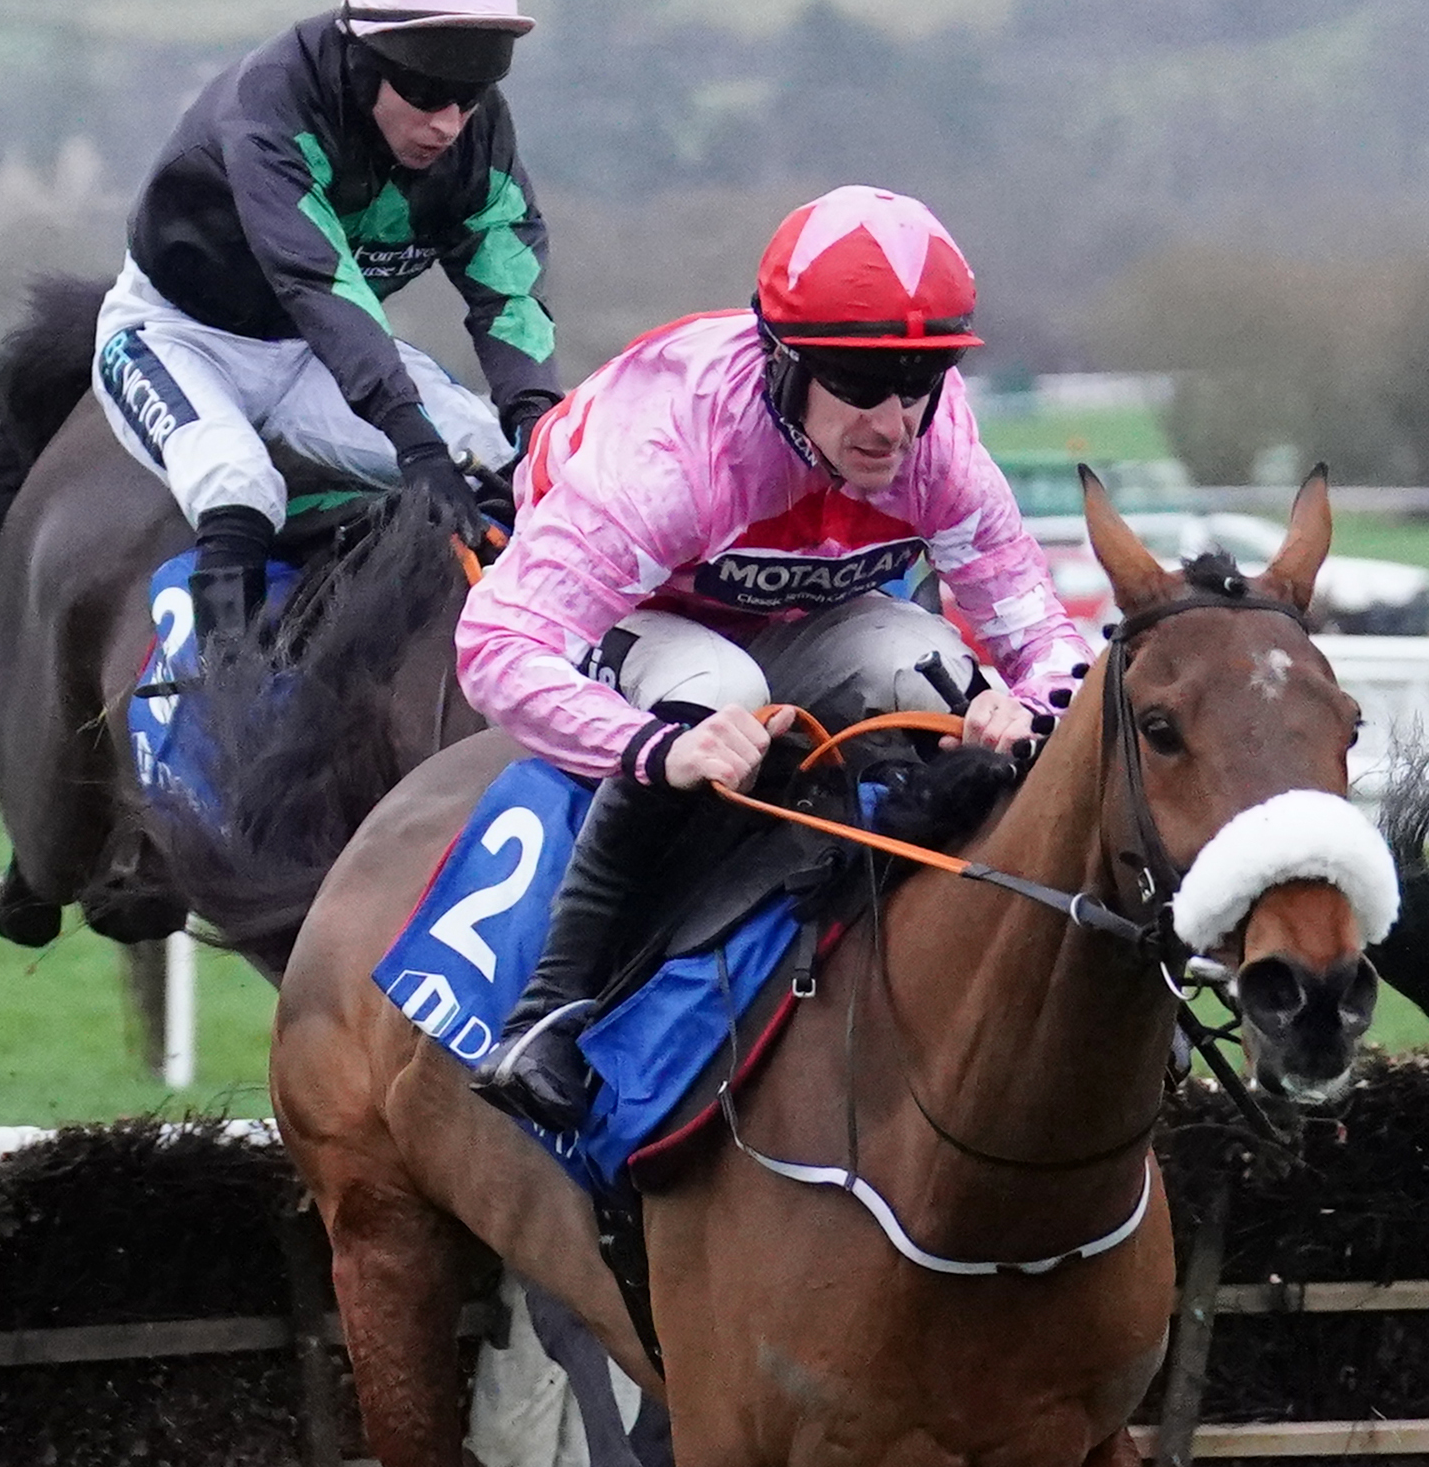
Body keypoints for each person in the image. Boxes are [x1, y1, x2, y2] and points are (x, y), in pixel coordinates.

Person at [456, 186, 1091, 1133]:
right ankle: (549, 1012)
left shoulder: (939, 445)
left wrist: (1031, 706)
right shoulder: (676, 458)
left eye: (922, 378)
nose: (893, 422)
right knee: (720, 698)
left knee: (936, 670)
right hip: (637, 613)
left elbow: (1047, 643)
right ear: (783, 364)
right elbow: (496, 645)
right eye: (861, 383)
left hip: (797, 607)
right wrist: (652, 750)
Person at [96, 0, 558, 649]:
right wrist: (414, 446)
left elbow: (509, 289)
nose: (447, 125)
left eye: (469, 96)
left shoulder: (476, 135)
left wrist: (536, 419)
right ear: (362, 60)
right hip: (177, 337)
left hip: (315, 352)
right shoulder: (273, 103)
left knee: (498, 461)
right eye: (428, 92)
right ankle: (215, 706)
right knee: (239, 486)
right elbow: (318, 280)